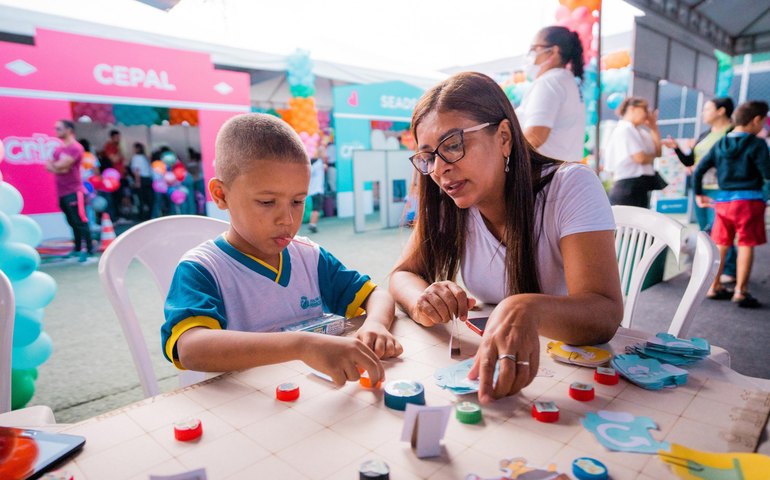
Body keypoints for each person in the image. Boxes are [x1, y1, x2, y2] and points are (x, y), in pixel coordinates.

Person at [389, 72, 622, 403]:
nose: (440, 169)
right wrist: (423, 300)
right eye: (428, 156)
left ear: (503, 137)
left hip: (579, 376)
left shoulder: (570, 186)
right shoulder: (452, 202)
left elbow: (605, 313)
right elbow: (402, 274)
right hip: (496, 371)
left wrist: (528, 308)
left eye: (453, 145)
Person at [162, 114, 402, 385]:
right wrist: (301, 346)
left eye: (298, 201)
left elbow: (377, 296)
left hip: (308, 400)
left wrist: (376, 324)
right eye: (266, 202)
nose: (287, 220)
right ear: (221, 195)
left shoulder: (310, 257)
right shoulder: (203, 269)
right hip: (242, 409)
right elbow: (191, 349)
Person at [693, 100, 770, 309]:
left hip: (723, 202)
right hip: (749, 201)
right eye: (763, 121)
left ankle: (714, 286)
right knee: (745, 243)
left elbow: (699, 170)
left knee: (722, 243)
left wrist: (698, 194)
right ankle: (741, 291)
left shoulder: (720, 144)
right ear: (756, 120)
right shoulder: (757, 144)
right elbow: (767, 173)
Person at [662, 97, 737, 282]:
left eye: (707, 109)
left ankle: (729, 270)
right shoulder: (705, 135)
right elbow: (691, 162)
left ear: (721, 111)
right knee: (705, 230)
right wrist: (678, 150)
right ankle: (708, 267)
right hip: (700, 188)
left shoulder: (733, 133)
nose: (703, 113)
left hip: (722, 189)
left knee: (721, 229)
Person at [516, 26, 586, 162]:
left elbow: (535, 136)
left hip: (547, 175)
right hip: (565, 172)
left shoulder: (549, 82)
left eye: (534, 49)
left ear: (553, 51)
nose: (531, 55)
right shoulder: (567, 80)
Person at [604, 97, 665, 208]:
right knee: (627, 224)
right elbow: (640, 158)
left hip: (639, 187)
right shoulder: (625, 129)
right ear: (632, 109)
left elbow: (658, 152)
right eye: (644, 109)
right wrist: (651, 158)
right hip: (627, 187)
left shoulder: (640, 131)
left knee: (640, 223)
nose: (647, 114)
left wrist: (654, 127)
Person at [46, 120, 93, 262]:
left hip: (75, 191)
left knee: (80, 221)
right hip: (62, 192)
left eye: (59, 128)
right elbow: (51, 166)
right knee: (71, 221)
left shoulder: (75, 148)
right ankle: (78, 249)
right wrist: (57, 167)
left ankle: (89, 249)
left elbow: (62, 166)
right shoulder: (58, 149)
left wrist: (56, 166)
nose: (56, 131)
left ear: (69, 129)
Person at [130, 142, 154, 221]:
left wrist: (137, 182)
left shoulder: (136, 158)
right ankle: (150, 215)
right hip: (148, 179)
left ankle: (141, 217)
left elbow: (137, 170)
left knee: (141, 199)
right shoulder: (145, 157)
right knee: (149, 199)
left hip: (141, 179)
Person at [307, 155, 325, 233]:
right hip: (317, 191)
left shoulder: (310, 166)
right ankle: (312, 224)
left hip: (312, 191)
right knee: (316, 209)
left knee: (315, 208)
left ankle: (312, 224)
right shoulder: (319, 163)